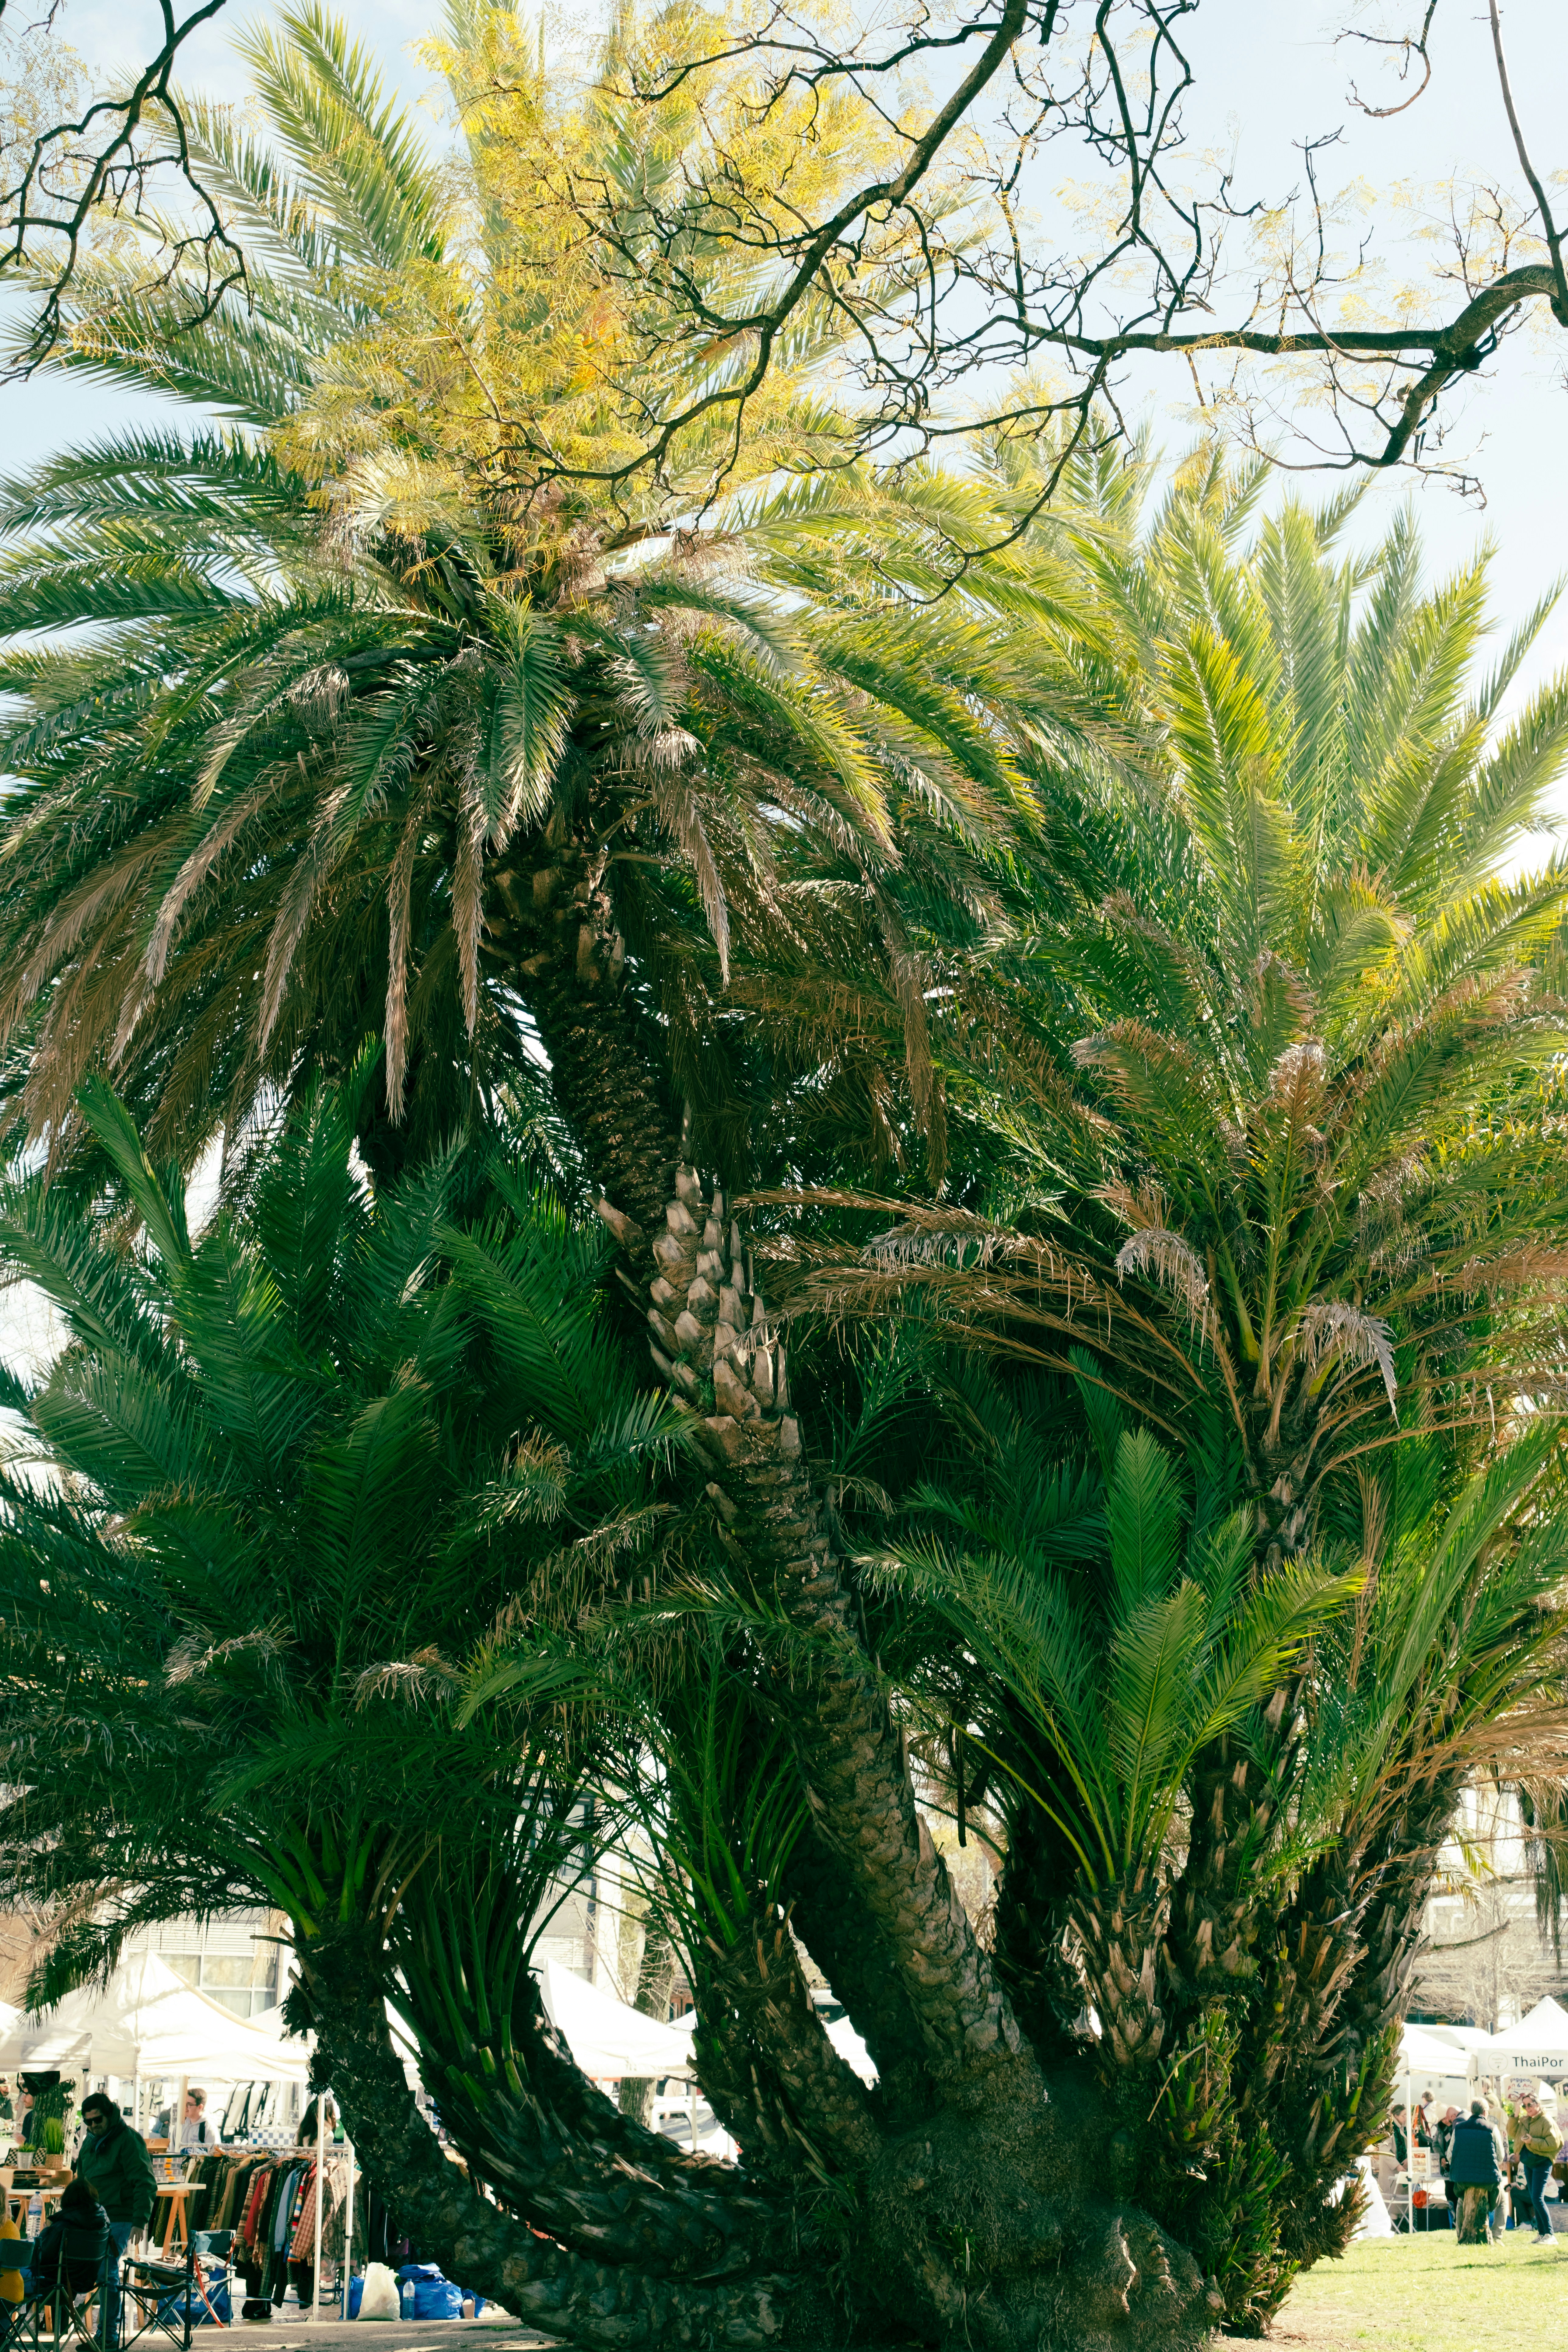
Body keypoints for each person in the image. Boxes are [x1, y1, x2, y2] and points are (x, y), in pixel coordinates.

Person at [76, 2088, 157, 2347]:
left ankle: (108, 2338)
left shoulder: (128, 2139)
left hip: (120, 2217)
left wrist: (139, 2220)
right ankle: (103, 2336)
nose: (93, 2126)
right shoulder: (90, 2140)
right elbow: (82, 2178)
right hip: (93, 2217)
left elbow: (145, 2182)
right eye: (88, 2121)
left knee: (107, 2271)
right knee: (98, 2272)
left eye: (97, 2120)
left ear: (109, 2115)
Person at [26, 2176, 111, 2313]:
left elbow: (41, 2256)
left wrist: (47, 2230)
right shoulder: (104, 2224)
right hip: (86, 2286)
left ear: (67, 2199)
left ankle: (7, 2330)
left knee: (12, 2276)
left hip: (53, 2287)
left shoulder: (63, 2227)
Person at [1510, 2091, 1563, 2246]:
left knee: (1538, 2198)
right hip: (1529, 2162)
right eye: (1525, 2106)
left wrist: (1533, 2141)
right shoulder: (1526, 2120)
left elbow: (1555, 2144)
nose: (1528, 2108)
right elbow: (1513, 2132)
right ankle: (1542, 2233)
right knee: (1535, 2199)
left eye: (1530, 2105)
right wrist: (1516, 2112)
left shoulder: (1547, 2121)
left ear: (1538, 2105)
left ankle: (1550, 2234)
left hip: (1542, 2162)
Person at [1447, 2099, 1504, 2242]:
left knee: (1462, 2200)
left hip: (1463, 2180)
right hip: (1488, 2181)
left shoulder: (1459, 2128)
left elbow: (1450, 2155)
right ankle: (1497, 2236)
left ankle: (1461, 2234)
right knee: (1503, 2200)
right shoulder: (1492, 2128)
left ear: (1472, 2112)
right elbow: (1501, 2156)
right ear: (1486, 2113)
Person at [1432, 2105, 1461, 2226]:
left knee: (1457, 2190)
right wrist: (1442, 2157)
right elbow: (1436, 2145)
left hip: (1456, 2164)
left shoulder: (1457, 2126)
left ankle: (1459, 2216)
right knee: (1449, 2190)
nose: (1445, 2122)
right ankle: (1453, 2216)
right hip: (1446, 2166)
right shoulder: (1440, 2129)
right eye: (1443, 2120)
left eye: (1446, 2119)